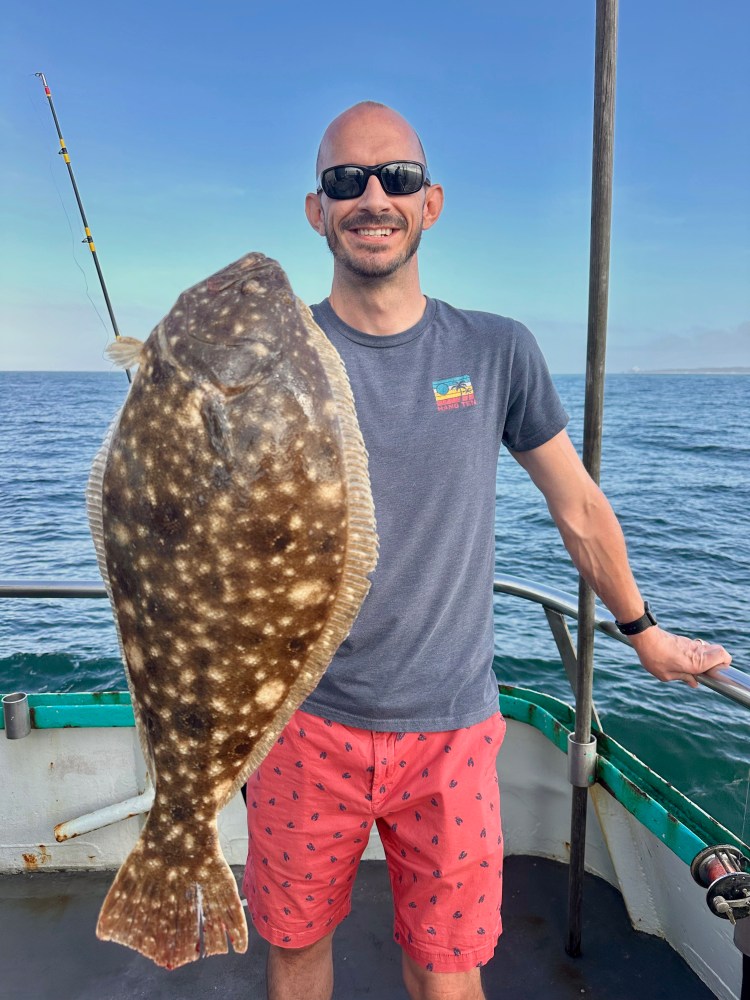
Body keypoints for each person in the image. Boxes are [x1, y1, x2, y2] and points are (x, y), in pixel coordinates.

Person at [242, 101, 732, 1000]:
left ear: (431, 203)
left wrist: (644, 632)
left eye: (397, 178)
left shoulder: (497, 348)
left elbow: (577, 504)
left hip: (454, 729)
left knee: (448, 962)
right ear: (317, 211)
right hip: (303, 725)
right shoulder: (272, 355)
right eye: (346, 182)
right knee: (295, 945)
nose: (373, 197)